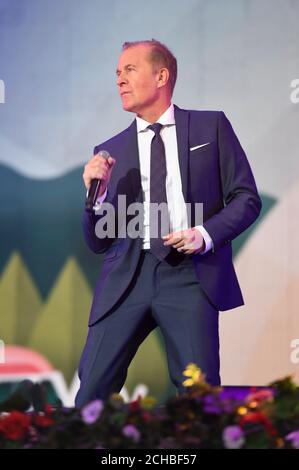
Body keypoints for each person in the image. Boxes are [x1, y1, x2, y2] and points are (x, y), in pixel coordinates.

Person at [75, 39, 262, 407]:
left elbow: (246, 198)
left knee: (200, 397)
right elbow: (98, 242)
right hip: (126, 277)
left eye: (129, 70)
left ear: (161, 76)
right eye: (116, 73)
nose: (119, 81)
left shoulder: (211, 127)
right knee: (91, 394)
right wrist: (94, 197)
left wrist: (204, 234)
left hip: (190, 275)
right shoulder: (110, 150)